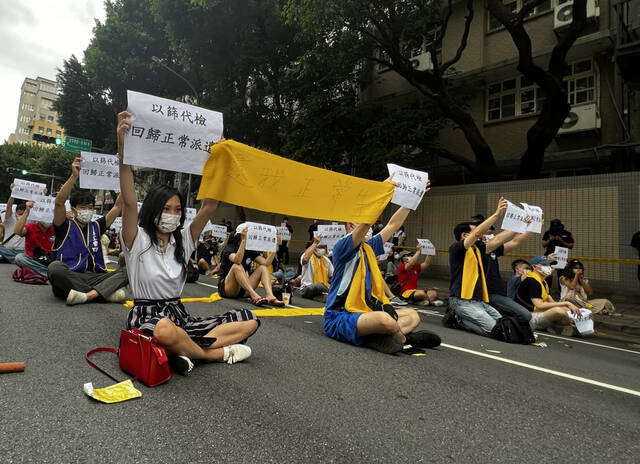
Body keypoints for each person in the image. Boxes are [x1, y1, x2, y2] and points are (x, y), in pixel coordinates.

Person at [117, 110, 259, 372]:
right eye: (166, 208)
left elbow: (208, 206)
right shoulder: (135, 239)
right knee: (163, 331)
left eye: (177, 209)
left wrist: (219, 159)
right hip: (149, 318)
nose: (172, 215)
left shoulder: (184, 239)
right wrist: (124, 153)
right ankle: (213, 355)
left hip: (179, 315)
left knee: (248, 320)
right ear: (151, 210)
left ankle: (181, 349)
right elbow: (127, 201)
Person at [323, 177, 441, 354]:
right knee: (385, 320)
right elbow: (367, 222)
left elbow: (394, 224)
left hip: (367, 311)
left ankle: (381, 336)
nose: (370, 228)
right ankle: (402, 338)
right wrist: (381, 193)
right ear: (350, 226)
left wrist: (415, 195)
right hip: (340, 316)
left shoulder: (368, 248)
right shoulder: (342, 247)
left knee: (412, 315)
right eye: (363, 224)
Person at [46, 157, 128, 306]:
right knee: (54, 268)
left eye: (90, 207)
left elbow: (117, 206)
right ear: (74, 209)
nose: (88, 211)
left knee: (131, 269)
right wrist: (74, 176)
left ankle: (87, 295)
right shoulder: (64, 225)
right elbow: (58, 202)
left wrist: (125, 172)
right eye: (83, 207)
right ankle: (103, 293)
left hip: (96, 276)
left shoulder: (97, 226)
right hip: (70, 275)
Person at [447, 198, 517, 336]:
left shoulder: (478, 249)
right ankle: (457, 319)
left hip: (478, 301)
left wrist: (520, 225)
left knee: (506, 326)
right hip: (461, 301)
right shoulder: (457, 248)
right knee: (495, 330)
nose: (483, 234)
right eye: (477, 231)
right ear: (465, 235)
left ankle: (459, 319)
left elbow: (498, 240)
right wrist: (497, 214)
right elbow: (477, 233)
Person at [217, 224, 285, 306]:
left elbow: (266, 263)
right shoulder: (230, 248)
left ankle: (270, 296)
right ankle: (254, 295)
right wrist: (243, 241)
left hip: (243, 290)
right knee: (237, 266)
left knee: (263, 268)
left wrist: (275, 246)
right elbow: (237, 260)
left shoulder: (249, 250)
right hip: (228, 288)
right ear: (240, 236)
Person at [515, 255, 583, 336]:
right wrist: (567, 304)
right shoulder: (532, 281)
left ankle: (555, 327)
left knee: (566, 311)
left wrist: (571, 309)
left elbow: (552, 302)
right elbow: (539, 305)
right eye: (545, 265)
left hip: (538, 313)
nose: (549, 267)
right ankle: (558, 326)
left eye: (549, 265)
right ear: (534, 267)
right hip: (527, 317)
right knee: (559, 311)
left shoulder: (543, 282)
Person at [484, 230, 532, 324]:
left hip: (500, 294)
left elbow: (515, 241)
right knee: (525, 315)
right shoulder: (477, 249)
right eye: (487, 232)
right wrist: (517, 226)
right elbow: (498, 239)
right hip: (489, 294)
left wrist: (531, 228)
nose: (491, 235)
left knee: (529, 323)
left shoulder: (493, 251)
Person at [12, 200, 54, 277]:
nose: (46, 220)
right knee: (19, 258)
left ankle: (39, 271)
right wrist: (26, 212)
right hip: (33, 260)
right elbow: (17, 231)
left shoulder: (56, 228)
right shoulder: (30, 226)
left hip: (51, 260)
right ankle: (49, 274)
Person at [299, 235, 334, 301]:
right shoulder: (308, 257)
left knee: (325, 287)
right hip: (307, 288)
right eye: (320, 247)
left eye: (323, 247)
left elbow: (333, 276)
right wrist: (315, 243)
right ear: (314, 247)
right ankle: (329, 295)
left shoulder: (326, 260)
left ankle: (320, 297)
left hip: (322, 289)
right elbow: (305, 260)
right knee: (320, 286)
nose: (322, 249)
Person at [0, 200, 26, 264]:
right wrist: (13, 194)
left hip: (23, 251)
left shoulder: (29, 221)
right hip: (7, 249)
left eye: (23, 214)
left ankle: (13, 259)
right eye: (20, 214)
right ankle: (18, 260)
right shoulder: (9, 219)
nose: (21, 217)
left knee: (22, 256)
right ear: (15, 212)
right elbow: (9, 206)